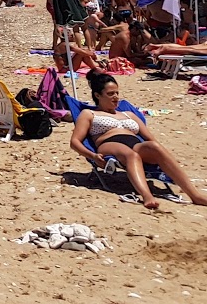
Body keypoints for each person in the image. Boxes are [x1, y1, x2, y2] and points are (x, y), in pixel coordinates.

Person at [70, 72, 207, 209]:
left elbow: (150, 138)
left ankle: (195, 195)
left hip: (135, 143)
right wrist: (92, 156)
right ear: (97, 95)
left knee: (154, 146)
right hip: (109, 144)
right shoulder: (89, 114)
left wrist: (161, 154)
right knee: (131, 155)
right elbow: (75, 142)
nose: (116, 97)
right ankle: (147, 196)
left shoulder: (128, 114)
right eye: (111, 94)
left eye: (117, 93)